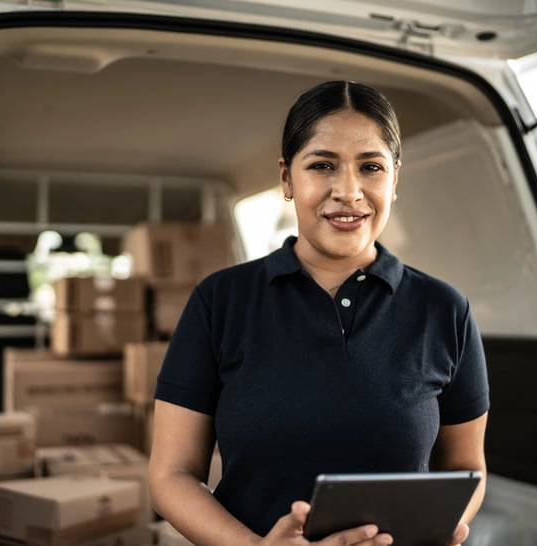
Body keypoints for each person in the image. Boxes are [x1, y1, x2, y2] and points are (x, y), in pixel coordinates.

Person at [149, 80, 489, 546]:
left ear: (394, 180)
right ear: (288, 179)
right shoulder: (219, 301)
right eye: (323, 165)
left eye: (370, 167)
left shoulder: (445, 311)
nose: (348, 191)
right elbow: (171, 474)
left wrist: (433, 528)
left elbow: (466, 469)